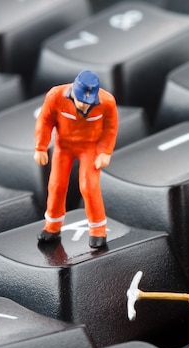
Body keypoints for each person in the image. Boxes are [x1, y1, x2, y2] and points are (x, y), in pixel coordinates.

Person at [34, 70, 118, 248]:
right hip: (63, 147)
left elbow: (110, 128)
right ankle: (52, 227)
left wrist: (105, 152)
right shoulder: (55, 96)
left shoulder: (107, 102)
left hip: (90, 148)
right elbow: (45, 120)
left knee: (89, 186)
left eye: (88, 103)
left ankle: (98, 230)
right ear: (73, 91)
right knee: (56, 185)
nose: (84, 106)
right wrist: (41, 147)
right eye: (81, 101)